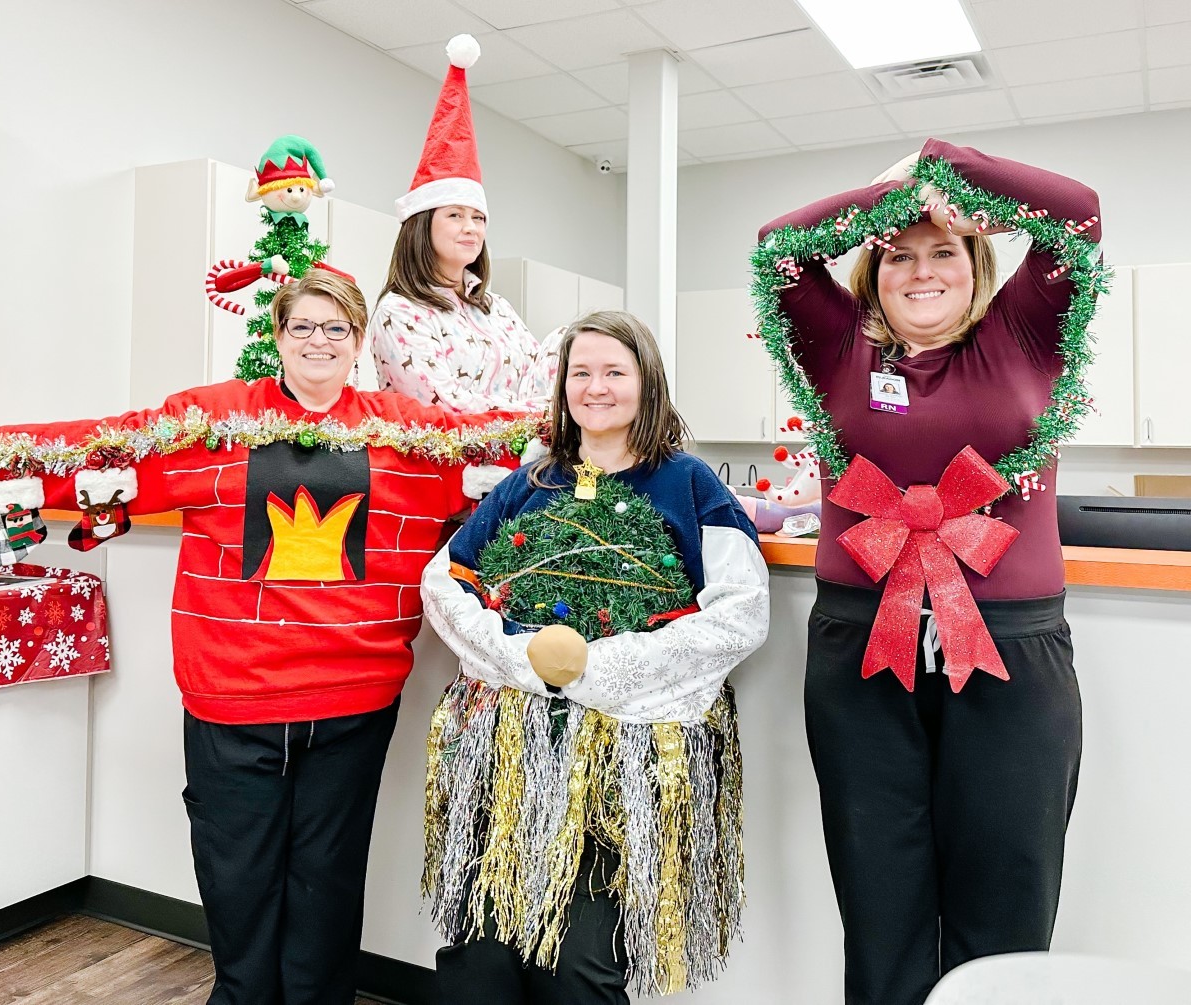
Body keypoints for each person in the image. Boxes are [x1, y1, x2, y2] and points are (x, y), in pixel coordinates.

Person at [0, 269, 535, 1005]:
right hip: (233, 698)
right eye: (302, 325)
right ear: (276, 336)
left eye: (336, 327)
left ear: (360, 341)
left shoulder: (406, 430)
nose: (319, 341)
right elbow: (97, 450)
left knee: (328, 880)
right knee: (236, 877)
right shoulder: (212, 421)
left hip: (354, 703)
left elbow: (511, 445)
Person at [756, 138, 1099, 1005]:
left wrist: (946, 165)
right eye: (897, 253)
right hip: (860, 656)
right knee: (881, 904)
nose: (921, 270)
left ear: (976, 257)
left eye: (942, 248)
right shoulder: (839, 350)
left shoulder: (1024, 330)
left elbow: (1080, 212)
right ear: (871, 271)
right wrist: (894, 198)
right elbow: (775, 246)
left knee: (1007, 908)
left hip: (1011, 661)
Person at [418, 311, 771, 1003]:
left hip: (622, 769)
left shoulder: (689, 484)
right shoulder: (530, 483)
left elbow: (740, 613)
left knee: (582, 966)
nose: (596, 387)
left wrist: (594, 670)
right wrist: (519, 658)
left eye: (615, 371)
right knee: (480, 957)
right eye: (581, 372)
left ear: (648, 383)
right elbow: (446, 580)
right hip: (507, 759)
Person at [368, 35, 560, 419]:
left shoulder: (496, 307)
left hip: (521, 465)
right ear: (423, 224)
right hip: (444, 473)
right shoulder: (400, 311)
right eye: (455, 215)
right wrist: (533, 412)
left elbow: (547, 375)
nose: (471, 228)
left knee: (568, 337)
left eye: (478, 218)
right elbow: (446, 406)